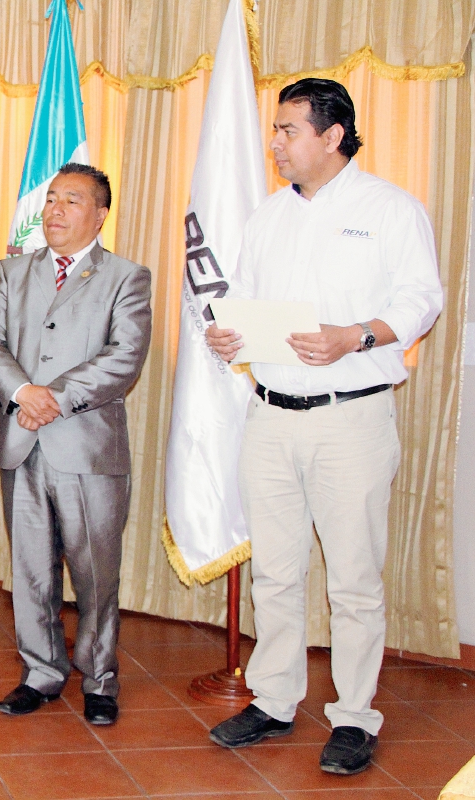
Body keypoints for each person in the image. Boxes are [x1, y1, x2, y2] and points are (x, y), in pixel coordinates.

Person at [205, 79, 443, 775]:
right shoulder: (267, 215)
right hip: (271, 415)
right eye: (276, 130)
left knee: (354, 578)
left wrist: (356, 336)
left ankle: (355, 716)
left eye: (289, 130)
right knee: (275, 572)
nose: (276, 143)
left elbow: (422, 299)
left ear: (333, 135)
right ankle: (274, 699)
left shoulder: (390, 208)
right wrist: (228, 335)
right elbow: (243, 299)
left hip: (351, 417)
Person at [0, 163, 152, 725]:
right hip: (22, 441)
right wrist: (22, 392)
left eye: (72, 200)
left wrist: (55, 397)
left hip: (88, 448)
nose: (55, 209)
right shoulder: (12, 271)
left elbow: (125, 356)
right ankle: (41, 672)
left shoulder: (126, 277)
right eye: (51, 199)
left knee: (95, 573)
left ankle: (99, 678)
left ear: (100, 215)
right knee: (31, 571)